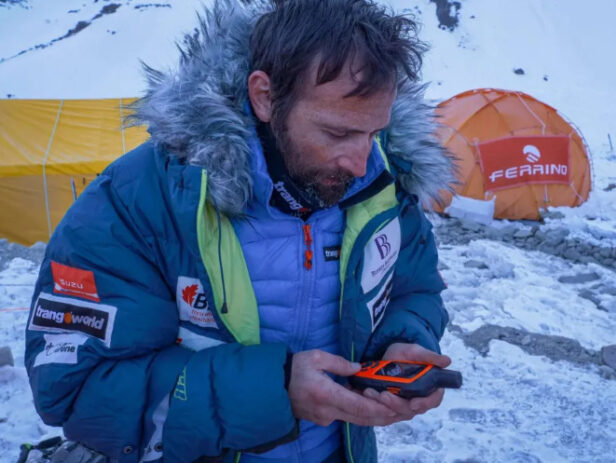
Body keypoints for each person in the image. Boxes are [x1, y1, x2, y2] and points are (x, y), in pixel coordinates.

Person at [24, 0, 454, 462]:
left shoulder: (383, 189)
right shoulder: (138, 201)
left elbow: (415, 289)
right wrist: (274, 391)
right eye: (336, 133)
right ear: (265, 96)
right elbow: (75, 388)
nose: (359, 160)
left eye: (373, 133)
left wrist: (403, 341)